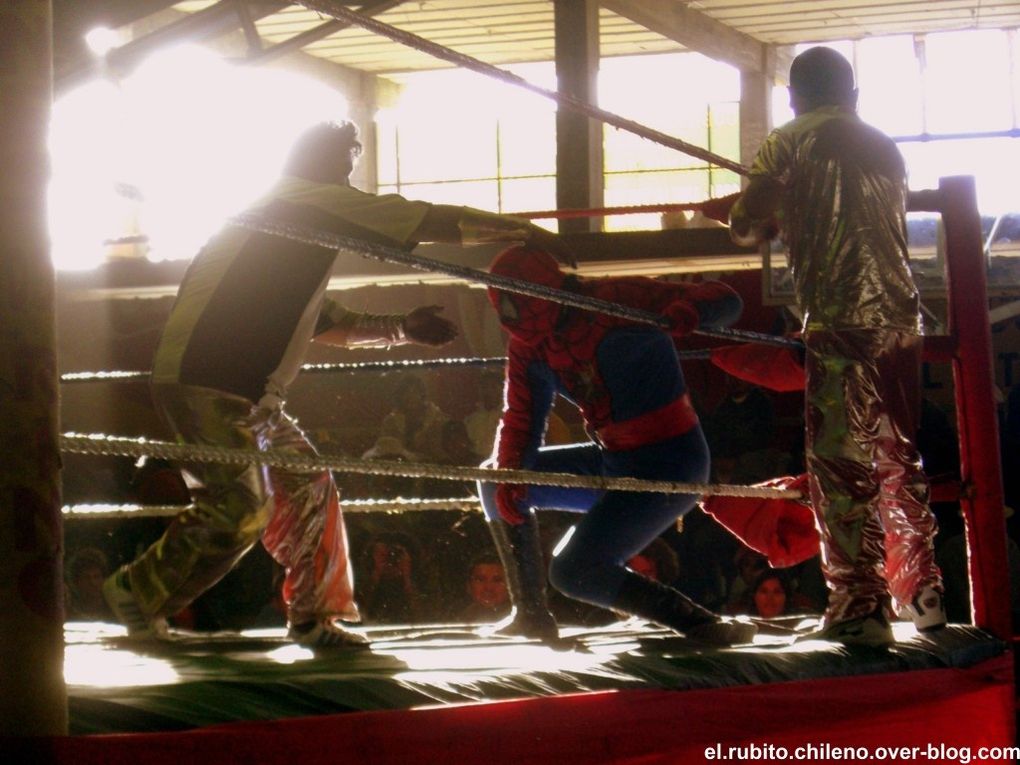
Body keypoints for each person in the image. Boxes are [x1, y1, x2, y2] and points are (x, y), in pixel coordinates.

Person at [102, 119, 573, 649]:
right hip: (207, 381)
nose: (348, 185)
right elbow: (423, 218)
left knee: (310, 492)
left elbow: (327, 320)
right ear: (319, 164)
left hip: (243, 392)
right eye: (343, 169)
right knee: (240, 509)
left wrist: (400, 329)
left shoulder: (276, 232)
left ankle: (313, 617)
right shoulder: (299, 201)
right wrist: (521, 231)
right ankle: (137, 592)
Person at [728, 46, 945, 645]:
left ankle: (859, 606)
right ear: (852, 94)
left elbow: (751, 220)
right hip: (903, 321)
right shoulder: (884, 143)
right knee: (897, 458)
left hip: (840, 321)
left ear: (794, 97)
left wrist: (741, 214)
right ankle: (920, 592)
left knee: (841, 462)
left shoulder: (788, 140)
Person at [477, 244, 756, 646]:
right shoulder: (529, 344)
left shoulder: (616, 299)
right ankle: (530, 613)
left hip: (671, 462)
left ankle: (700, 623)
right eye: (502, 305)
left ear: (541, 290)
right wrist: (512, 478)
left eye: (515, 302)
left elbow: (728, 300)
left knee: (573, 570)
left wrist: (689, 313)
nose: (511, 317)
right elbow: (521, 418)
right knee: (494, 480)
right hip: (611, 461)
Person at [455, 554, 511, 624]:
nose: (488, 587)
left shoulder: (523, 622)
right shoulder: (456, 621)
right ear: (468, 586)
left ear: (510, 586)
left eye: (497, 580)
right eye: (480, 580)